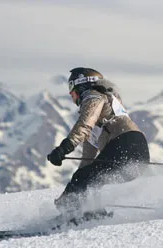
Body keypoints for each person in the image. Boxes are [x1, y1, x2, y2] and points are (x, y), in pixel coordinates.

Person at [46, 67, 150, 215]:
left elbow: (84, 124)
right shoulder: (103, 112)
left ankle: (78, 214)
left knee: (87, 178)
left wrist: (63, 149)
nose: (70, 93)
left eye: (71, 87)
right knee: (90, 177)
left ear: (82, 84)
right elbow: (87, 161)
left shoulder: (94, 96)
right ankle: (92, 213)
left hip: (125, 144)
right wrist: (72, 188)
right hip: (136, 154)